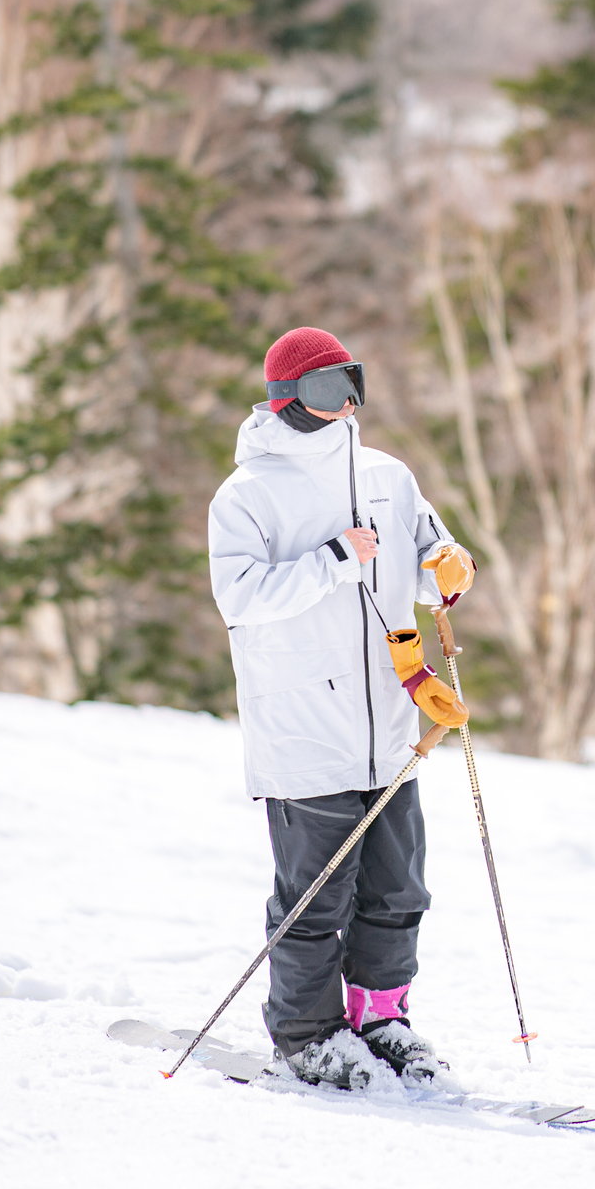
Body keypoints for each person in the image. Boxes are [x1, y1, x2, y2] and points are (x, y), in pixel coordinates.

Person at [208, 325, 475, 1090]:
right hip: (304, 730)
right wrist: (331, 560)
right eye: (329, 391)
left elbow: (428, 556)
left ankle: (380, 1018)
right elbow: (242, 599)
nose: (346, 406)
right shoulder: (247, 495)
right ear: (287, 399)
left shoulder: (388, 477)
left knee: (398, 891)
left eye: (353, 385)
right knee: (317, 899)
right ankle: (306, 1035)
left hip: (388, 726)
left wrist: (444, 565)